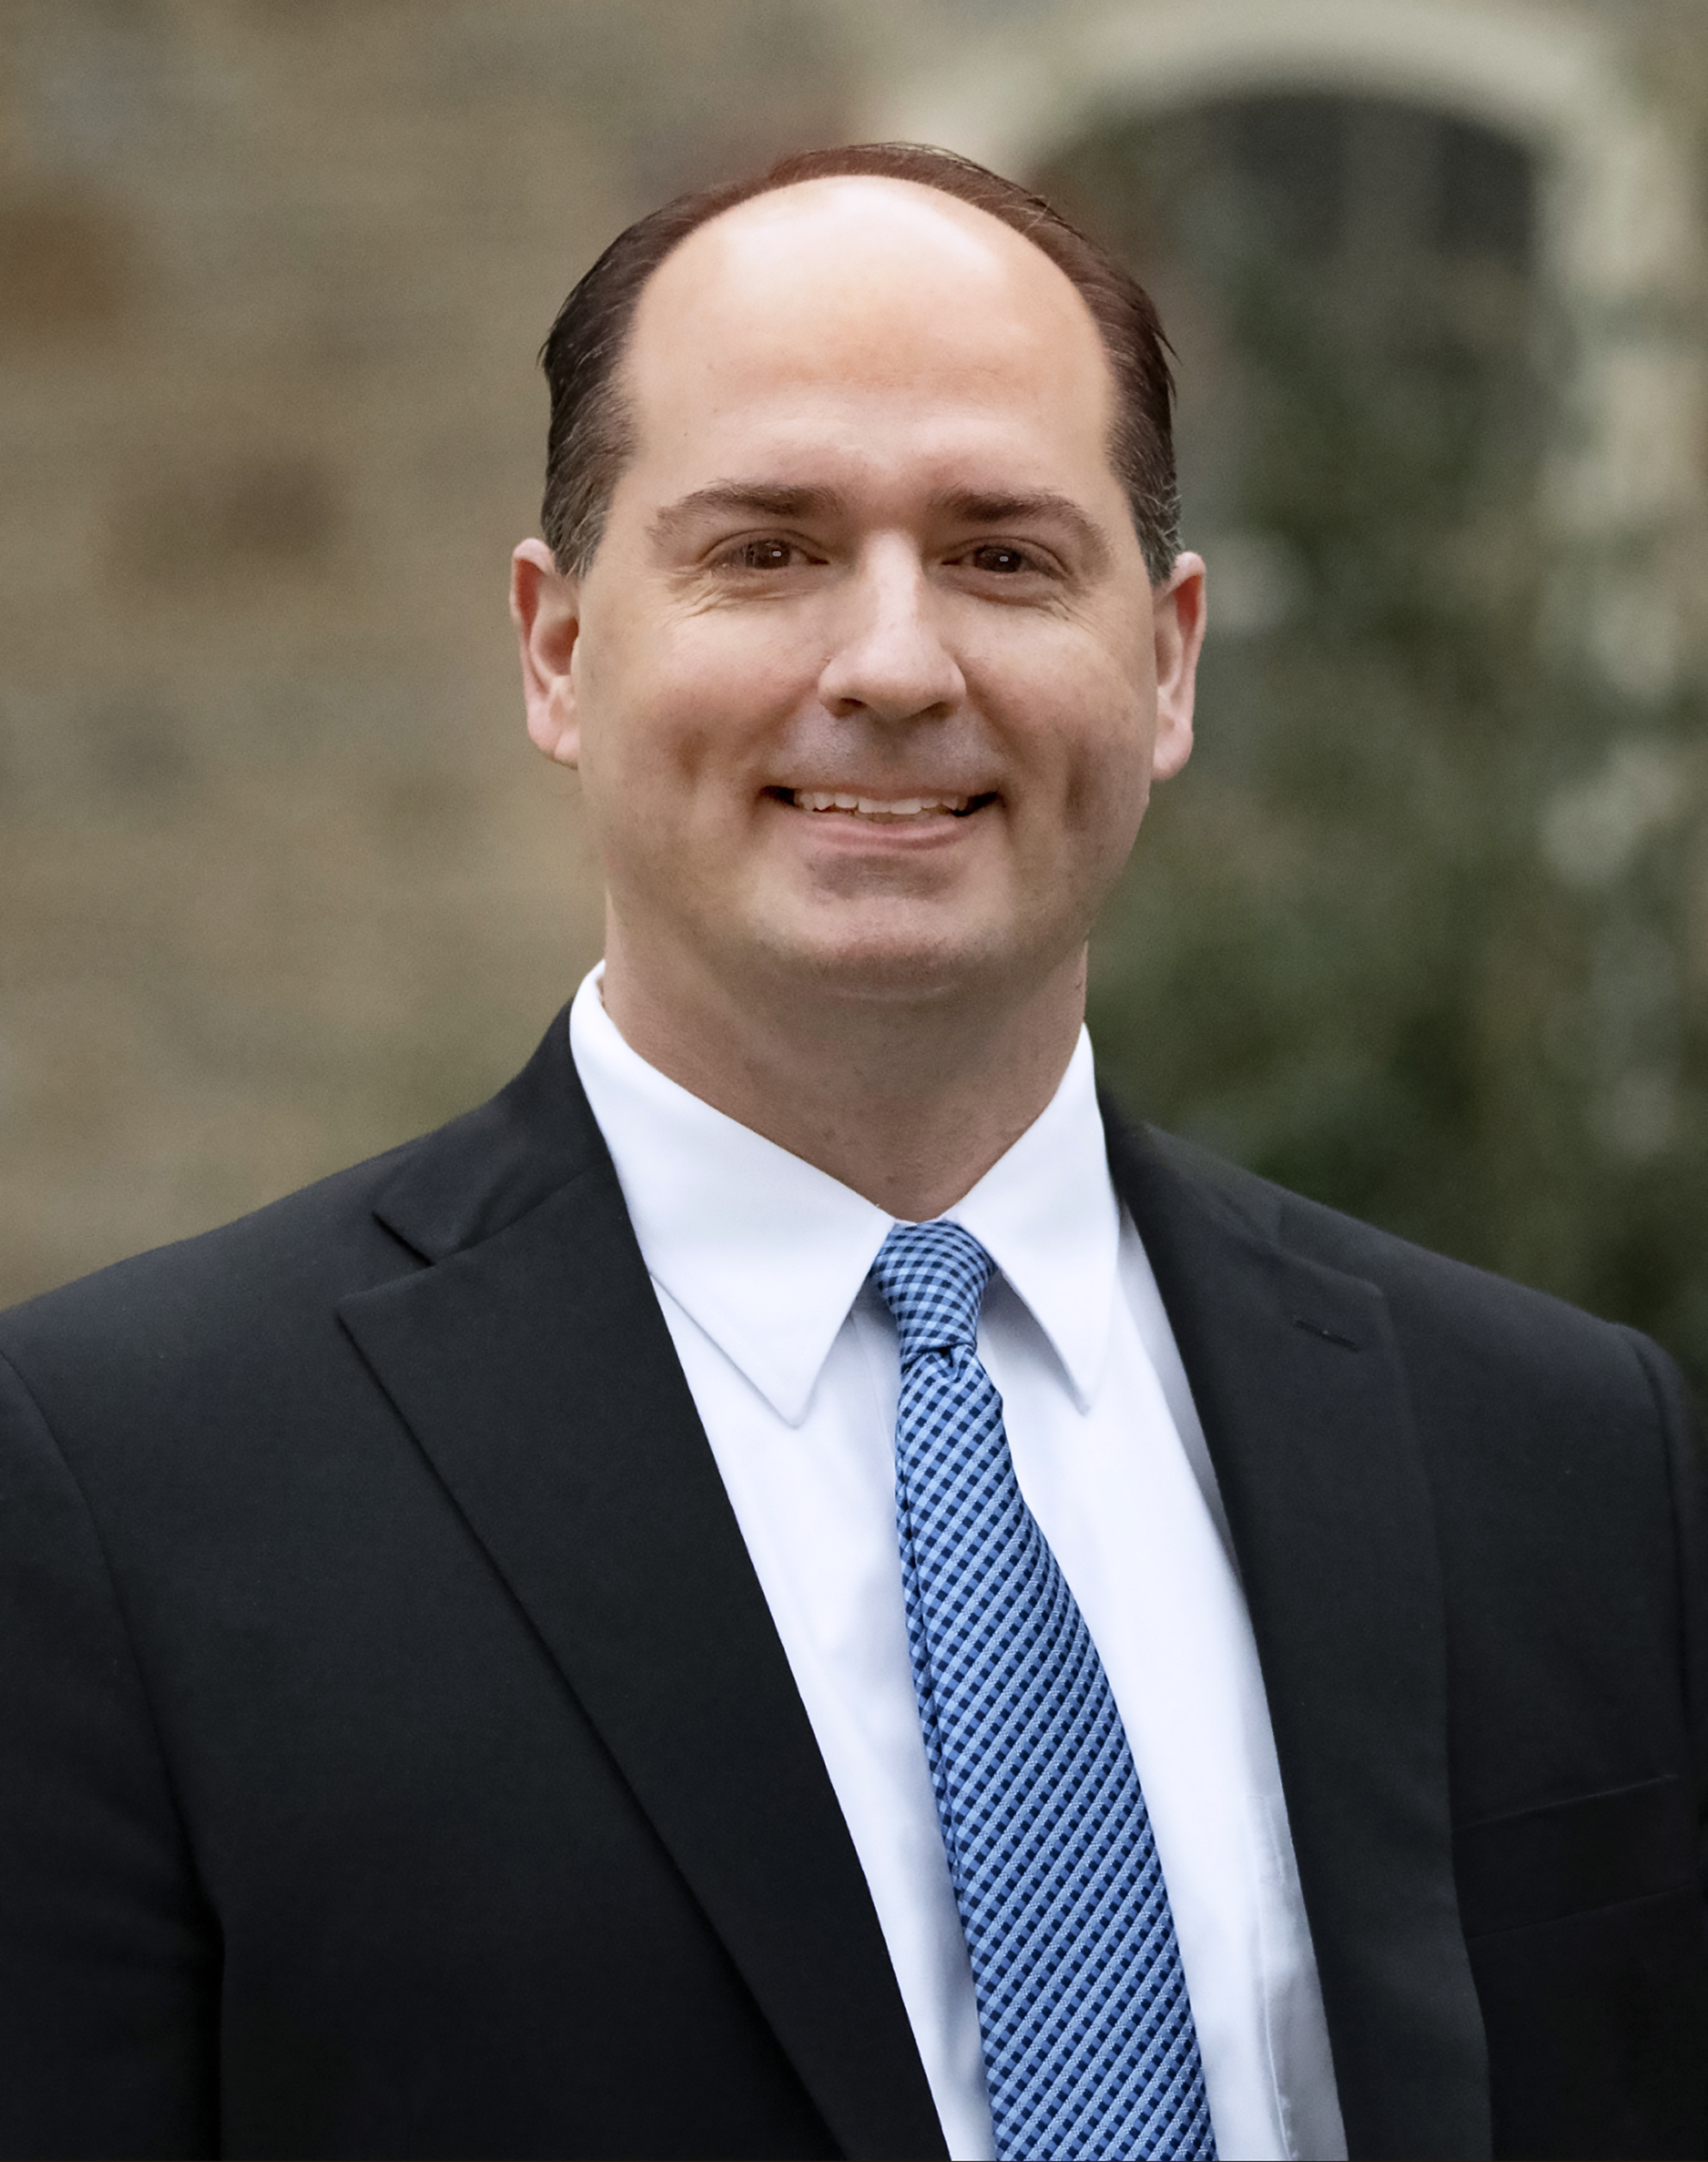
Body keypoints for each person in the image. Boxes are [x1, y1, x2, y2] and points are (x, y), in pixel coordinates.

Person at [0, 141, 1702, 2162]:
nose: (893, 665)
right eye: (768, 549)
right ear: (557, 649)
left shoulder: (1557, 1450)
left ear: (1162, 661)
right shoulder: (118, 1491)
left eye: (999, 555)